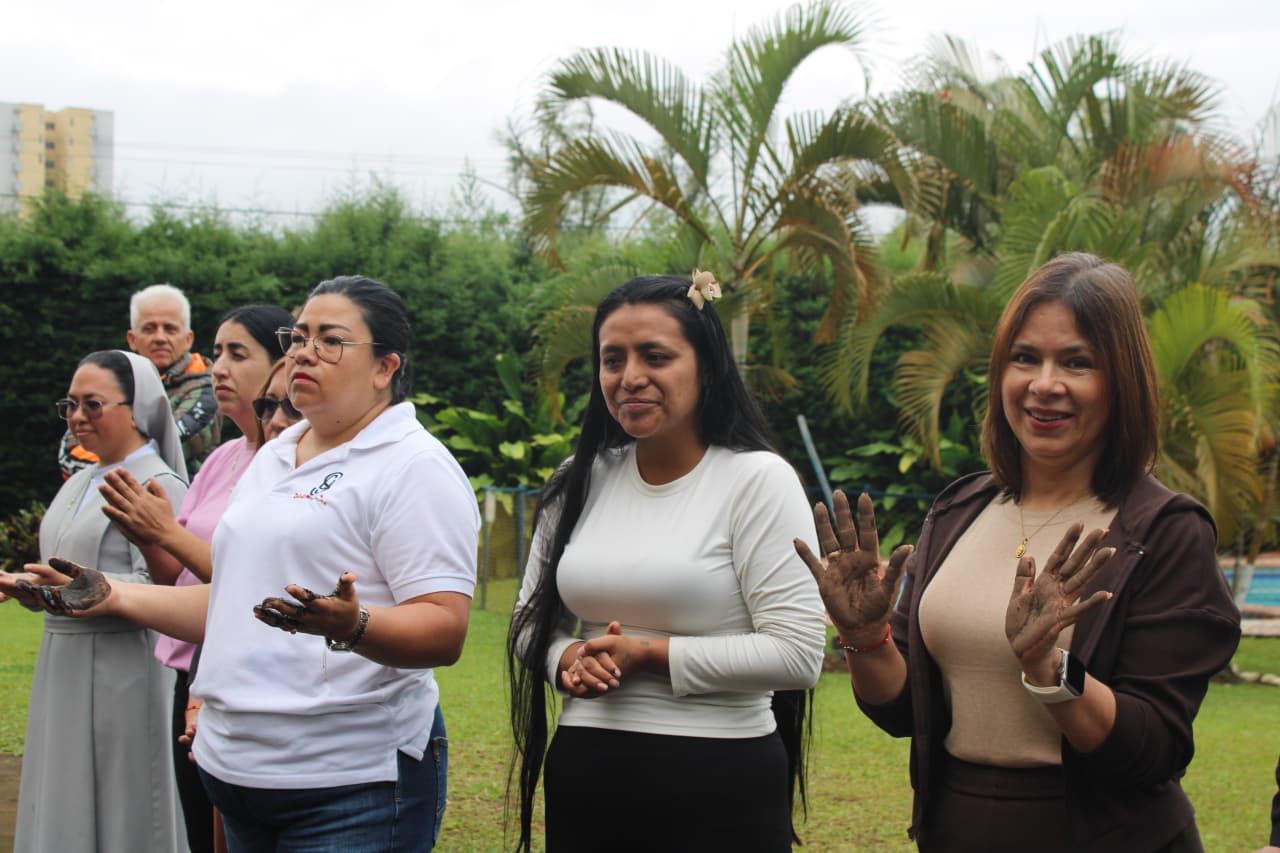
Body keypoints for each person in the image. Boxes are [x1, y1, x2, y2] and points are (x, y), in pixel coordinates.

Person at [3, 275, 478, 852]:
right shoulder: (276, 453)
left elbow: (444, 628)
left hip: (350, 782)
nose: (303, 352)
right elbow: (234, 601)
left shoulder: (414, 465)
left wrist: (352, 625)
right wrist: (111, 593)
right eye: (298, 336)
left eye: (330, 340)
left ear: (385, 367)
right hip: (238, 771)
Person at [797, 252, 1241, 851]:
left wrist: (1048, 669)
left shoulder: (1163, 530)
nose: (1044, 384)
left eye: (1077, 362)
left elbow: (1154, 747)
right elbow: (906, 711)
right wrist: (866, 635)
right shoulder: (961, 510)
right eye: (1024, 358)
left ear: (1122, 382)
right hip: (954, 826)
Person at [509, 273, 825, 852]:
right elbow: (529, 624)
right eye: (612, 359)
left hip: (720, 779)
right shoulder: (577, 479)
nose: (630, 378)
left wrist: (647, 655)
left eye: (655, 356)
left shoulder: (757, 481)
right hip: (586, 773)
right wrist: (567, 658)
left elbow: (799, 654)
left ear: (705, 367)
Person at [96, 304, 295, 853]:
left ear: (283, 368)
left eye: (238, 354)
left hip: (248, 672)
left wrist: (170, 533)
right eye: (217, 353)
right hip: (192, 670)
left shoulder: (293, 465)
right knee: (198, 822)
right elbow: (179, 579)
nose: (219, 368)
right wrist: (148, 533)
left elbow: (256, 583)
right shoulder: (223, 457)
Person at [4, 350, 190, 852]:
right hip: (61, 659)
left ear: (137, 409)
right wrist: (30, 588)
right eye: (70, 405)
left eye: (92, 404)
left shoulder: (156, 484)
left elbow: (171, 588)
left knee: (124, 796)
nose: (77, 417)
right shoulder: (82, 479)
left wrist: (74, 590)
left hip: (122, 667)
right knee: (60, 788)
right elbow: (66, 571)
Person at [59, 283, 220, 478]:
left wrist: (103, 459)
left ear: (188, 339)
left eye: (170, 329)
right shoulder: (113, 383)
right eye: (149, 329)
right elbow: (70, 451)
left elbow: (169, 448)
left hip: (179, 502)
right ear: (132, 339)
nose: (160, 337)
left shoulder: (208, 388)